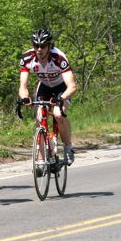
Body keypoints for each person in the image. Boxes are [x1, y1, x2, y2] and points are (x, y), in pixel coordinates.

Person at [18, 28, 77, 166]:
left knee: (58, 115)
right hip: (44, 86)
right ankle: (41, 160)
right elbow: (23, 86)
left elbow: (72, 86)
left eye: (43, 46)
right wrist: (25, 97)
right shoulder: (27, 58)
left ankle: (68, 148)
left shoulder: (58, 58)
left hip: (61, 87)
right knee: (39, 118)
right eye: (36, 46)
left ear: (49, 46)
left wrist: (61, 99)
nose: (39, 49)